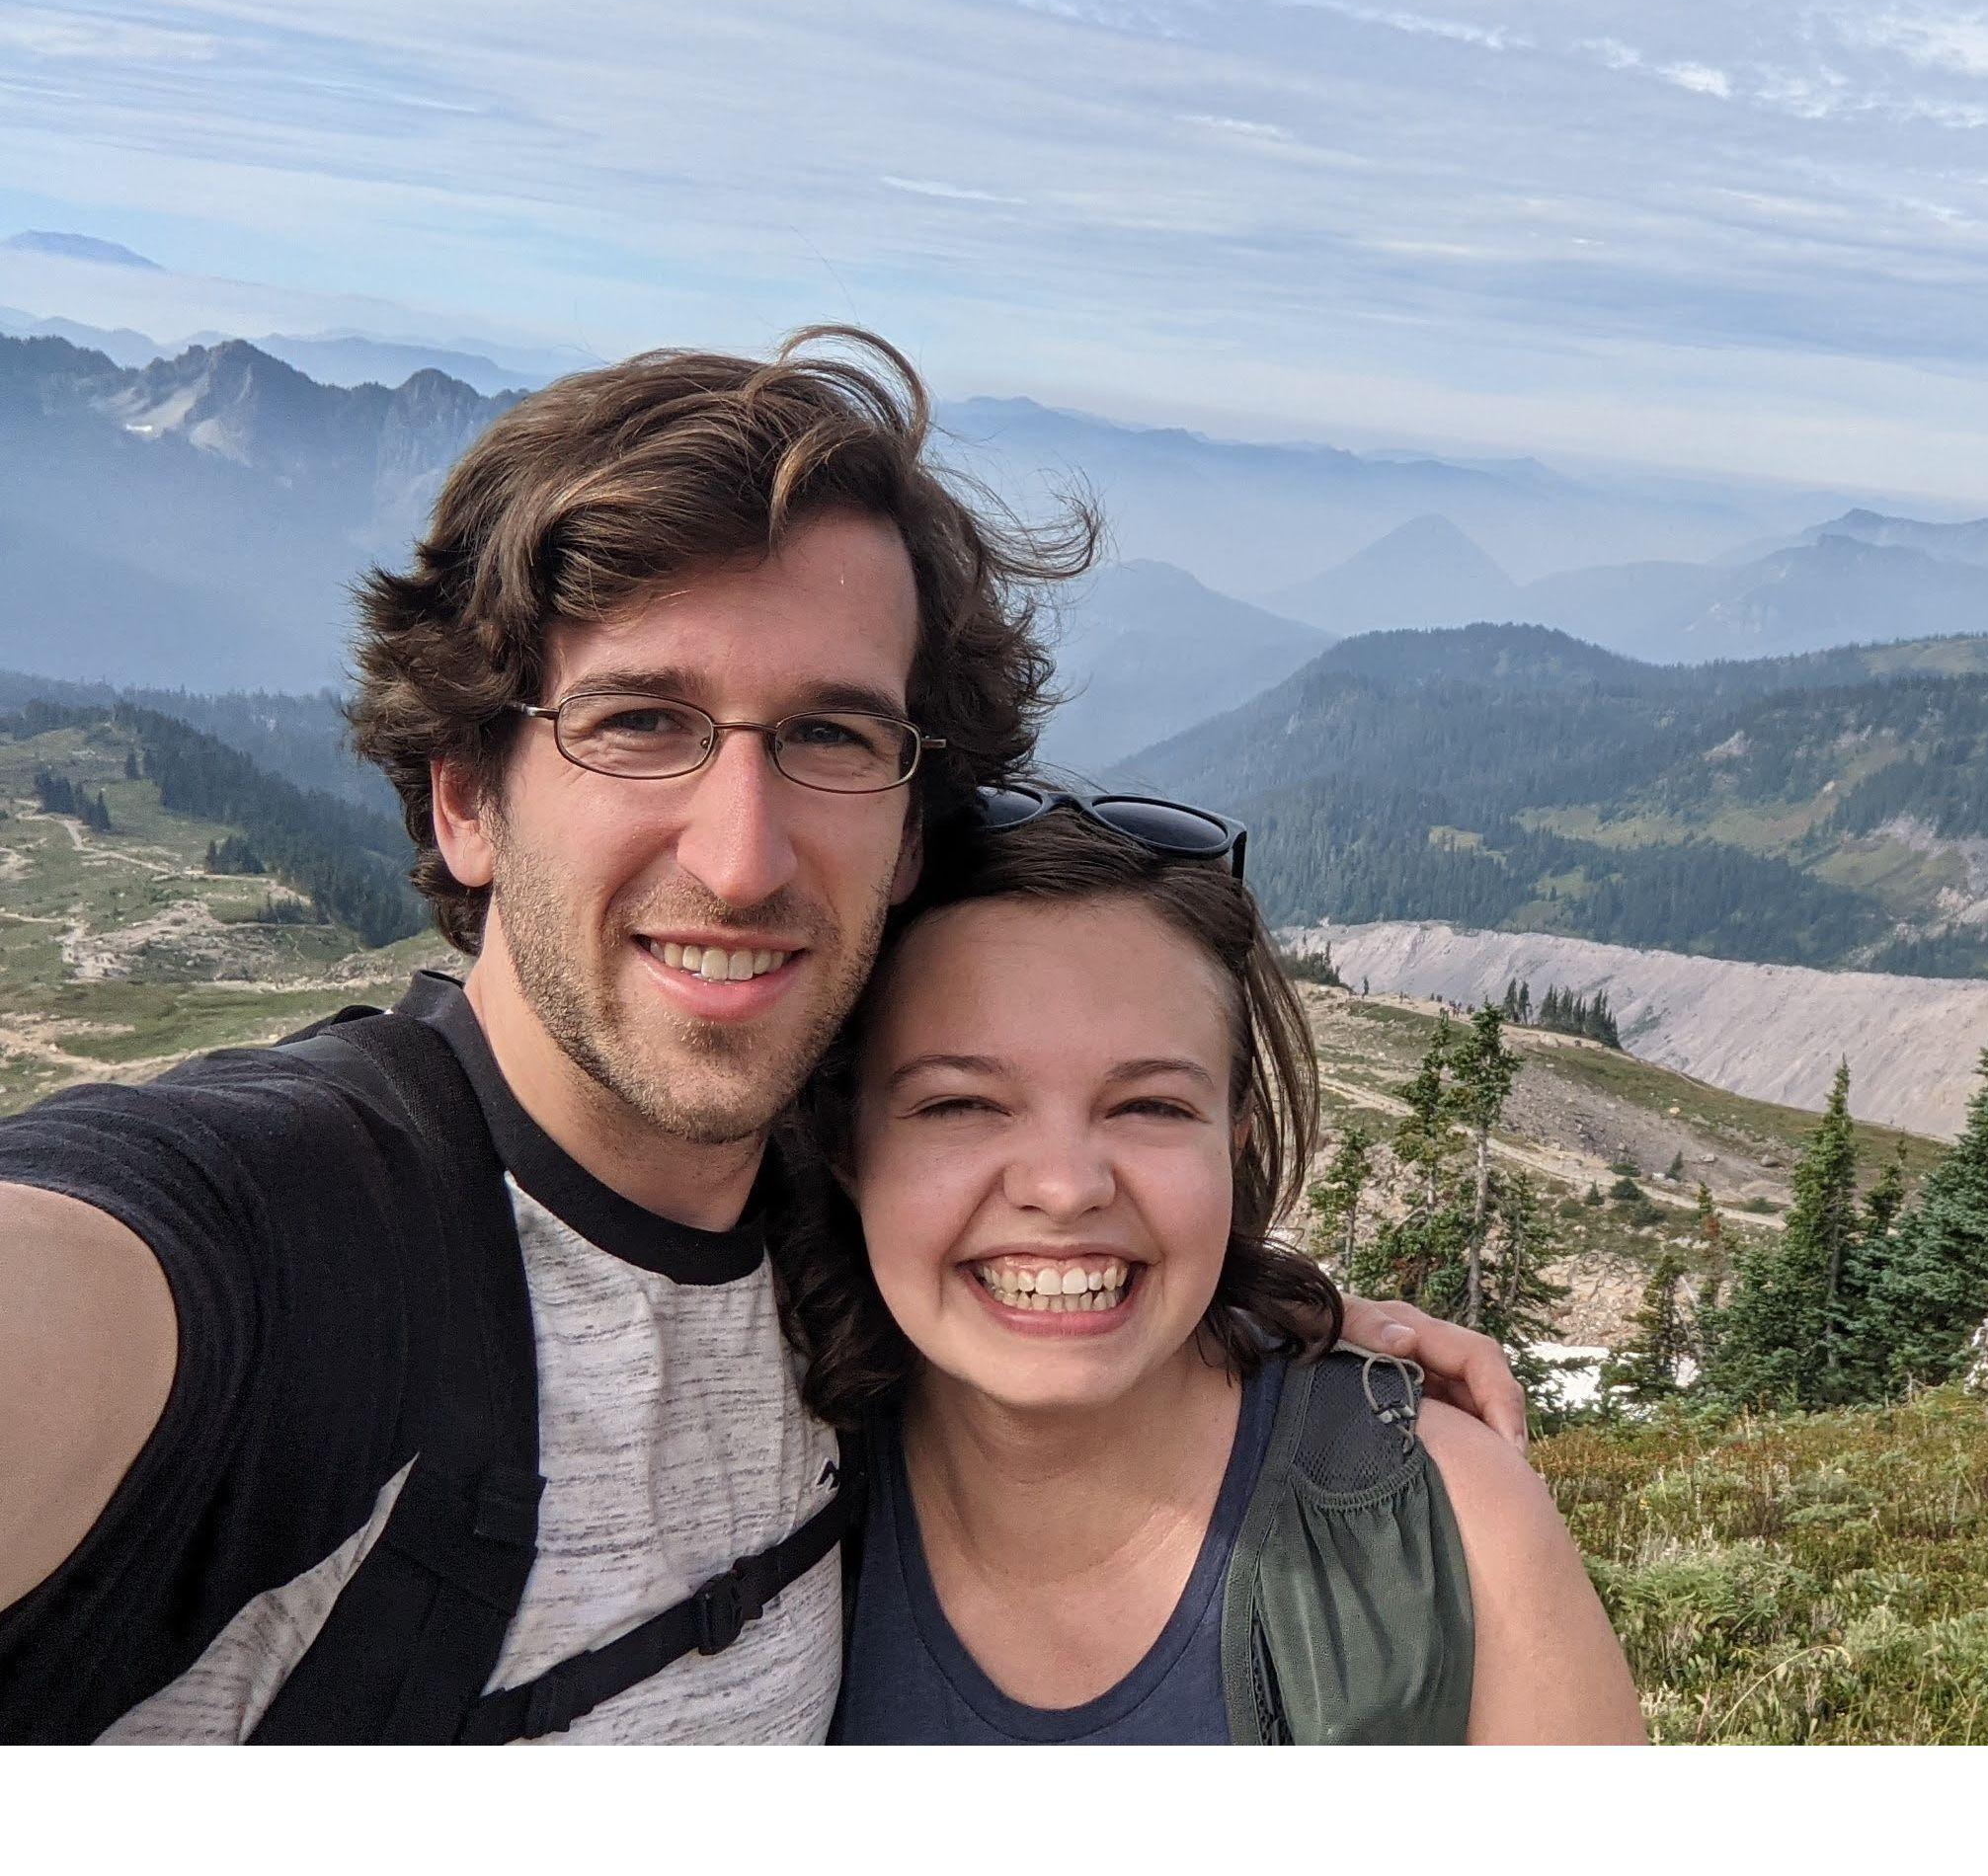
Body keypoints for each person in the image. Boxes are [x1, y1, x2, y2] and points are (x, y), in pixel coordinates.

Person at [0, 329, 1521, 1743]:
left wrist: (1265, 1326)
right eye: (639, 723)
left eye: (829, 737)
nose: (742, 856)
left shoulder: (835, 1252)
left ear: (912, 830)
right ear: (467, 796)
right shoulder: (292, 1246)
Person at [798, 795, 1642, 1745]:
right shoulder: (753, 1475)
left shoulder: (1452, 1527)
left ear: (1231, 1145)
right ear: (845, 1143)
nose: (1066, 1187)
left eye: (1151, 1107)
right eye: (959, 1105)